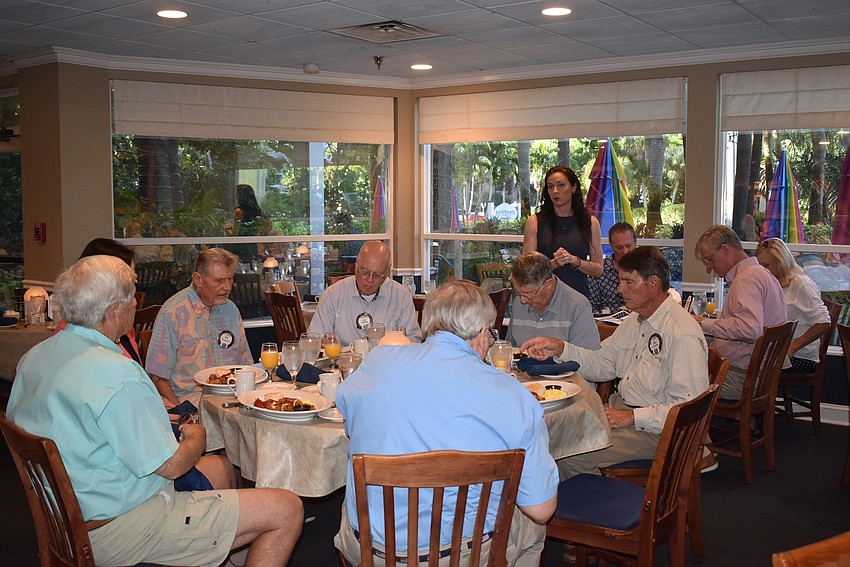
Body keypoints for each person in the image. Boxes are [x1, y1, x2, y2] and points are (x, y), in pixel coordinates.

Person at [7, 255, 303, 567]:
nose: (134, 304)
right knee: (287, 509)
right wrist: (197, 436)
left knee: (221, 468)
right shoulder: (117, 374)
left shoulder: (33, 359)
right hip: (121, 527)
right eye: (130, 298)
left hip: (70, 514)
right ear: (113, 311)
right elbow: (171, 466)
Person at [334, 280, 558, 566]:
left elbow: (349, 420)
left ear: (428, 323)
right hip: (464, 556)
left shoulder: (378, 361)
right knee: (533, 524)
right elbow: (541, 509)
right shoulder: (513, 395)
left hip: (373, 553)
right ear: (482, 334)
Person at [520, 247, 709, 478]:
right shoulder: (635, 321)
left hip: (656, 433)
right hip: (621, 414)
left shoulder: (681, 333)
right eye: (620, 281)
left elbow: (690, 409)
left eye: (628, 282)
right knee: (553, 437)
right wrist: (561, 348)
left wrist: (632, 417)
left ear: (653, 283)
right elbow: (602, 364)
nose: (620, 289)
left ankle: (595, 510)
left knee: (565, 452)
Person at [146, 248, 252, 406]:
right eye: (219, 281)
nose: (228, 287)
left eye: (230, 279)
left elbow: (246, 365)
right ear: (198, 279)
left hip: (233, 400)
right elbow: (158, 377)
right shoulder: (173, 313)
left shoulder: (230, 310)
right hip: (193, 403)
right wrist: (182, 414)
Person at [694, 225, 787, 399]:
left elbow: (749, 329)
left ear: (725, 250)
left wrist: (700, 323)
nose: (709, 267)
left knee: (679, 377)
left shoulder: (747, 279)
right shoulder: (763, 274)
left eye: (710, 259)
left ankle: (686, 425)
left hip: (741, 378)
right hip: (757, 373)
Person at [307, 241, 421, 346]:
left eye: (377, 275)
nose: (370, 280)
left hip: (386, 364)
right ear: (356, 264)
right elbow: (314, 339)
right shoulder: (333, 295)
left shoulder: (401, 297)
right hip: (342, 364)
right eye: (365, 272)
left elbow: (414, 340)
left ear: (387, 272)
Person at [522, 165, 603, 299]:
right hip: (544, 298)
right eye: (550, 186)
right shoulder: (535, 222)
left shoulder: (591, 222)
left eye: (561, 185)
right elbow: (527, 268)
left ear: (573, 187)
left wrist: (575, 261)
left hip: (578, 298)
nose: (555, 191)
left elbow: (598, 270)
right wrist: (554, 264)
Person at [754, 237, 830, 372]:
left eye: (766, 265)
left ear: (782, 262)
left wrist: (793, 347)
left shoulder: (801, 284)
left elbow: (824, 322)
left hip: (799, 355)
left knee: (744, 368)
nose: (762, 270)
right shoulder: (769, 283)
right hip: (774, 348)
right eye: (759, 266)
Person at [505, 251, 600, 350]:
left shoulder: (578, 307)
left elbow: (587, 358)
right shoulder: (518, 303)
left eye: (528, 295)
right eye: (519, 293)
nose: (523, 301)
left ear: (548, 284)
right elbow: (510, 348)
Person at [588, 222, 637, 313]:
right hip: (608, 324)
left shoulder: (646, 268)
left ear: (635, 242)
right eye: (619, 247)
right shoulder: (600, 271)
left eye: (628, 246)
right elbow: (592, 307)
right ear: (611, 246)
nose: (625, 251)